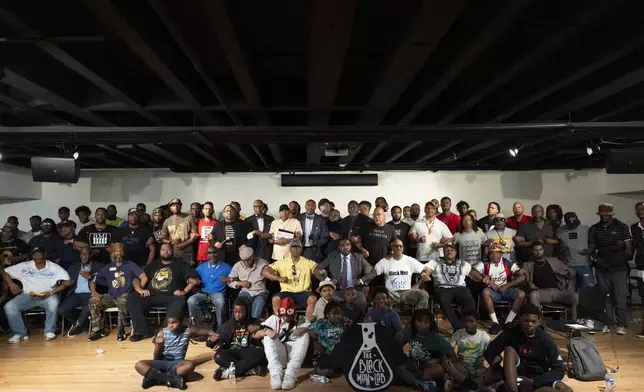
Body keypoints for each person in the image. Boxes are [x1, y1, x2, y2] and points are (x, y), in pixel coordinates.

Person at [484, 304, 571, 392]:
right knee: (509, 350)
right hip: (517, 376)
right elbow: (489, 352)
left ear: (539, 321)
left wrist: (535, 382)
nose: (529, 324)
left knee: (566, 390)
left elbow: (559, 369)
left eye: (533, 321)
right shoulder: (510, 333)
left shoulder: (546, 339)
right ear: (520, 318)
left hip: (538, 378)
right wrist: (495, 368)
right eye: (526, 320)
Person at [128, 243, 196, 342]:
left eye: (168, 249)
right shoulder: (153, 264)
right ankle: (142, 331)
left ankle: (163, 332)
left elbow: (193, 281)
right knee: (133, 297)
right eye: (163, 249)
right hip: (153, 295)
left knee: (180, 299)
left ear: (172, 251)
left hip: (172, 297)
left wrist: (184, 291)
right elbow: (136, 280)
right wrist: (140, 290)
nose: (165, 251)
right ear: (159, 252)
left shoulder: (181, 264)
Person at [2, 247, 71, 342]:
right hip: (28, 295)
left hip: (48, 295)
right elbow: (4, 271)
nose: (37, 256)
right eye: (34, 254)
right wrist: (11, 284)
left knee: (53, 303)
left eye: (39, 253)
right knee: (9, 306)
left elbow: (67, 282)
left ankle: (49, 331)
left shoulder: (54, 267)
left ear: (45, 254)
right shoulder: (25, 266)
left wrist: (51, 292)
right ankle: (20, 333)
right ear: (32, 256)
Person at [135, 313, 218, 390]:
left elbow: (206, 331)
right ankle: (172, 380)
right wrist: (158, 346)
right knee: (139, 365)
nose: (171, 325)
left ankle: (155, 379)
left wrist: (214, 334)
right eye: (169, 323)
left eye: (174, 323)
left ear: (181, 322)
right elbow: (156, 357)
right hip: (162, 362)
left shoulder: (187, 331)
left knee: (190, 365)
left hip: (177, 364)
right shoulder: (162, 333)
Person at [588, 203, 632, 335]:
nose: (604, 217)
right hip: (602, 268)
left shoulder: (622, 227)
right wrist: (590, 253)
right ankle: (609, 322)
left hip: (619, 268)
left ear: (612, 214)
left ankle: (621, 324)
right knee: (605, 296)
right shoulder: (594, 229)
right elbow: (592, 247)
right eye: (602, 215)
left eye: (607, 215)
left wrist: (613, 257)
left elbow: (629, 251)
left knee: (620, 296)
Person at [88, 242, 147, 341]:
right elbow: (92, 280)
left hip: (126, 296)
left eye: (120, 251)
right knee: (92, 301)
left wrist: (137, 291)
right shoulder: (107, 267)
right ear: (113, 254)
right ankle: (99, 330)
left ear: (124, 253)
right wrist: (94, 292)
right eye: (116, 251)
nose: (118, 253)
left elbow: (143, 277)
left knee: (122, 301)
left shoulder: (130, 264)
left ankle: (121, 331)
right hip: (111, 296)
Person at [426, 243, 486, 331]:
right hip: (443, 288)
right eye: (447, 250)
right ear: (443, 252)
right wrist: (425, 274)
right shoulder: (435, 261)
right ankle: (458, 327)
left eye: (452, 250)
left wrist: (482, 279)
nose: (449, 251)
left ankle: (464, 324)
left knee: (470, 301)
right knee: (444, 301)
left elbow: (473, 273)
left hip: (460, 288)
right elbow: (427, 269)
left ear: (456, 252)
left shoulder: (463, 263)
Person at [254, 297, 310, 390]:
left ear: (294, 313)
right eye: (283, 315)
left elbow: (315, 335)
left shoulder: (302, 319)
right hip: (280, 355)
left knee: (305, 335)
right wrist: (266, 330)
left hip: (294, 355)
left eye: (288, 315)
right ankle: (275, 373)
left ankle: (290, 374)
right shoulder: (274, 319)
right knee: (267, 336)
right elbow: (255, 334)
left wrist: (304, 329)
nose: (285, 317)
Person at [210, 297, 266, 381]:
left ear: (246, 311)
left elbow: (269, 330)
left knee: (260, 353)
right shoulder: (228, 325)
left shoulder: (254, 322)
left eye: (240, 312)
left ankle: (228, 372)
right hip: (233, 352)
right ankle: (251, 370)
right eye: (235, 312)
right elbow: (214, 342)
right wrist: (211, 341)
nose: (237, 314)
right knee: (218, 356)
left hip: (248, 352)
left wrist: (259, 327)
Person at [401, 309, 457, 392]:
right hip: (411, 365)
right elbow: (396, 346)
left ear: (431, 323)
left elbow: (454, 358)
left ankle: (415, 383)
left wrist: (436, 360)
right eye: (419, 321)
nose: (422, 325)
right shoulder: (409, 332)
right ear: (414, 322)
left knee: (439, 369)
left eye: (426, 322)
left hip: (427, 369)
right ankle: (419, 384)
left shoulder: (438, 339)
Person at [263, 240, 319, 322]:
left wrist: (319, 271)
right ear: (290, 249)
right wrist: (278, 278)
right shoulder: (282, 262)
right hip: (286, 292)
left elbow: (316, 269)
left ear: (301, 249)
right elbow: (265, 271)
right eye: (293, 247)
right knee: (275, 299)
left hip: (303, 292)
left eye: (298, 247)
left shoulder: (308, 262)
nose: (296, 249)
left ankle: (308, 323)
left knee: (312, 298)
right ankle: (279, 323)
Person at [522, 242, 579, 321]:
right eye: (535, 250)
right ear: (532, 251)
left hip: (558, 292)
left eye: (540, 249)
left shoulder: (554, 260)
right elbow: (524, 281)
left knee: (574, 296)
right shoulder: (527, 265)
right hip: (541, 293)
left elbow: (573, 272)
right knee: (533, 295)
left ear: (544, 250)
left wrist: (566, 272)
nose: (538, 252)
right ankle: (540, 323)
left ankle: (574, 323)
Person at [315, 237, 375, 311]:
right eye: (343, 245)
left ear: (351, 246)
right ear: (339, 247)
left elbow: (373, 272)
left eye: (348, 245)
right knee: (333, 303)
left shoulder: (358, 257)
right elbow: (316, 270)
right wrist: (329, 281)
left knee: (362, 301)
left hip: (354, 290)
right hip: (337, 290)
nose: (345, 247)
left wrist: (362, 280)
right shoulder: (332, 257)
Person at [478, 243, 526, 334]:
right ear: (489, 254)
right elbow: (473, 271)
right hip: (492, 292)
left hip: (506, 290)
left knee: (521, 294)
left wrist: (506, 286)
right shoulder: (485, 263)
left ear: (501, 254)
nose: (496, 256)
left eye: (498, 253)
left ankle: (508, 322)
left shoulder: (506, 262)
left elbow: (522, 276)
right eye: (493, 253)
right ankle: (495, 323)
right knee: (485, 292)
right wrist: (487, 278)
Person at [373, 238, 431, 309]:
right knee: (381, 296)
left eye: (401, 246)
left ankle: (418, 317)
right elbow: (373, 272)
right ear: (392, 248)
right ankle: (386, 318)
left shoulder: (409, 260)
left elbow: (427, 269)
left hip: (407, 293)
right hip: (391, 293)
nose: (399, 248)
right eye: (396, 246)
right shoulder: (385, 261)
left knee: (424, 295)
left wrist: (423, 276)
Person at [60, 246, 103, 337]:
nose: (83, 256)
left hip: (91, 295)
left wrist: (90, 276)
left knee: (87, 308)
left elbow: (103, 281)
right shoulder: (75, 266)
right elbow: (64, 279)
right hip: (76, 295)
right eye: (82, 254)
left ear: (91, 255)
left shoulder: (98, 266)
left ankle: (78, 326)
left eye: (86, 254)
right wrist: (62, 282)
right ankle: (81, 324)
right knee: (62, 309)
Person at [187, 245, 232, 329]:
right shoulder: (201, 267)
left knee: (220, 302)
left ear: (218, 253)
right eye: (209, 253)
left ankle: (221, 328)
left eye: (214, 252)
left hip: (218, 293)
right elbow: (192, 278)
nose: (212, 255)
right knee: (191, 300)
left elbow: (236, 277)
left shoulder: (226, 267)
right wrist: (194, 281)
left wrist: (230, 278)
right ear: (206, 255)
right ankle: (196, 325)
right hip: (203, 293)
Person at [297, 301, 345, 378]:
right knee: (325, 371)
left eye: (339, 313)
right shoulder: (321, 323)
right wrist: (304, 330)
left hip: (341, 355)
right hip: (326, 354)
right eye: (334, 313)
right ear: (327, 314)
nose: (337, 316)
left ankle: (336, 370)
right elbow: (306, 328)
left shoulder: (343, 324)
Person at [448, 310, 491, 389]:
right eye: (465, 321)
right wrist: (454, 358)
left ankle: (463, 384)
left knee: (492, 374)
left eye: (471, 321)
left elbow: (490, 354)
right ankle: (472, 384)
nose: (468, 324)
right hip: (463, 367)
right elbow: (449, 349)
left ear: (477, 322)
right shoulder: (458, 333)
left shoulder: (484, 336)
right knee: (451, 368)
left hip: (478, 368)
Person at [226, 245, 269, 319]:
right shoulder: (238, 266)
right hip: (245, 291)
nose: (247, 262)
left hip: (260, 291)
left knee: (258, 303)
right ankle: (238, 324)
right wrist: (240, 283)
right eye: (244, 260)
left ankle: (253, 324)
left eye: (249, 259)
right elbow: (229, 281)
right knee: (239, 303)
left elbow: (270, 275)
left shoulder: (262, 262)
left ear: (253, 256)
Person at [161, 198, 197, 264]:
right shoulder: (167, 221)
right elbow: (163, 238)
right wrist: (170, 241)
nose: (176, 207)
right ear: (170, 208)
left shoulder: (189, 217)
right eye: (173, 205)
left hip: (187, 251)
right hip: (174, 252)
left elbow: (194, 235)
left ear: (181, 206)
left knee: (189, 271)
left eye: (177, 205)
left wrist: (184, 244)